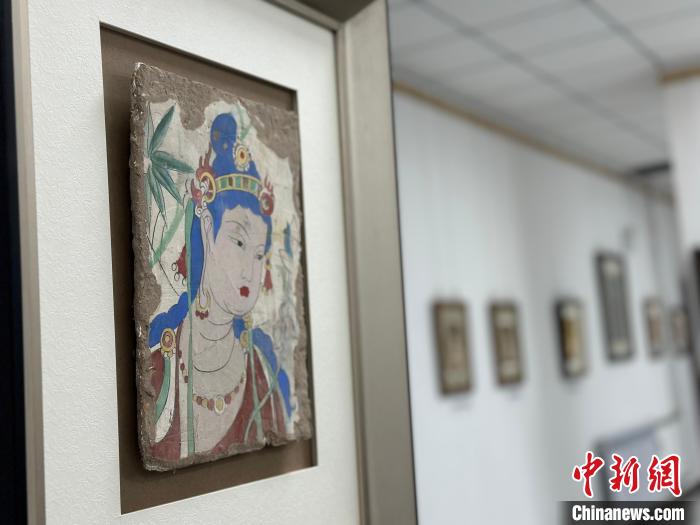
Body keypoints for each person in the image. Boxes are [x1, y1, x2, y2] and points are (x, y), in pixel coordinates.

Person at [147, 113, 292, 461]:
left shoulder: (263, 375)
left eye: (259, 253)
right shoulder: (161, 366)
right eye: (239, 242)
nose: (250, 270)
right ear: (208, 228)